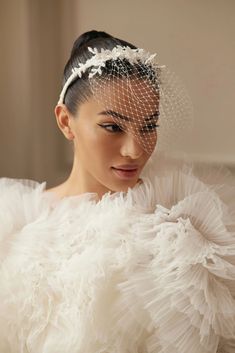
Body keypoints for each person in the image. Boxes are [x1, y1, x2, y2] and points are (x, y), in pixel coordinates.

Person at [0, 30, 235, 353]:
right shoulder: (13, 226)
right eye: (113, 127)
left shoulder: (179, 232)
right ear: (66, 121)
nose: (134, 150)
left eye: (149, 126)